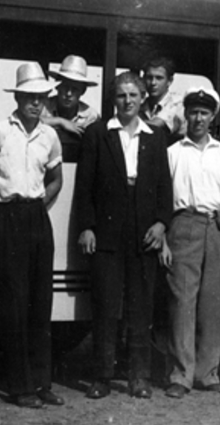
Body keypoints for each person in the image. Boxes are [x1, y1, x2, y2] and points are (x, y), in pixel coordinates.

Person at [0, 63, 65, 408]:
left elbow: (56, 180)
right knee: (13, 305)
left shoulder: (49, 136)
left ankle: (42, 383)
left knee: (41, 303)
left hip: (36, 218)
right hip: (5, 219)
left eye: (41, 98)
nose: (35, 104)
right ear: (18, 97)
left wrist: (39, 207)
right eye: (29, 97)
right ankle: (19, 387)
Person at [73, 71, 172, 399]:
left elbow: (163, 187)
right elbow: (84, 185)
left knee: (140, 307)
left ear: (143, 97)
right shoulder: (98, 134)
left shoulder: (155, 137)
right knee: (105, 305)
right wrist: (87, 226)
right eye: (120, 96)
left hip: (143, 232)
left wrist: (161, 224)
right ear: (113, 99)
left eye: (133, 95)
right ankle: (102, 376)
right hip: (108, 230)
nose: (127, 101)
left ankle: (139, 377)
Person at [160, 84, 220, 398]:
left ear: (213, 116)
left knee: (215, 303)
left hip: (217, 227)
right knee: (182, 302)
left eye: (204, 113)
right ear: (186, 114)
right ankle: (181, 375)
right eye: (193, 111)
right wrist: (165, 240)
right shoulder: (172, 152)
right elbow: (163, 200)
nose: (198, 118)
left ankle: (209, 373)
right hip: (183, 225)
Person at [42, 54, 100, 138]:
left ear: (83, 91)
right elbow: (27, 121)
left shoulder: (90, 116)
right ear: (57, 86)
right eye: (65, 87)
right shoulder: (43, 107)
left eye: (75, 89)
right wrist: (61, 121)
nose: (68, 94)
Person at [140, 56, 186, 139]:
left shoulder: (178, 104)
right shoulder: (141, 106)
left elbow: (157, 124)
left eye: (159, 78)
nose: (153, 83)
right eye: (149, 77)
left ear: (169, 81)